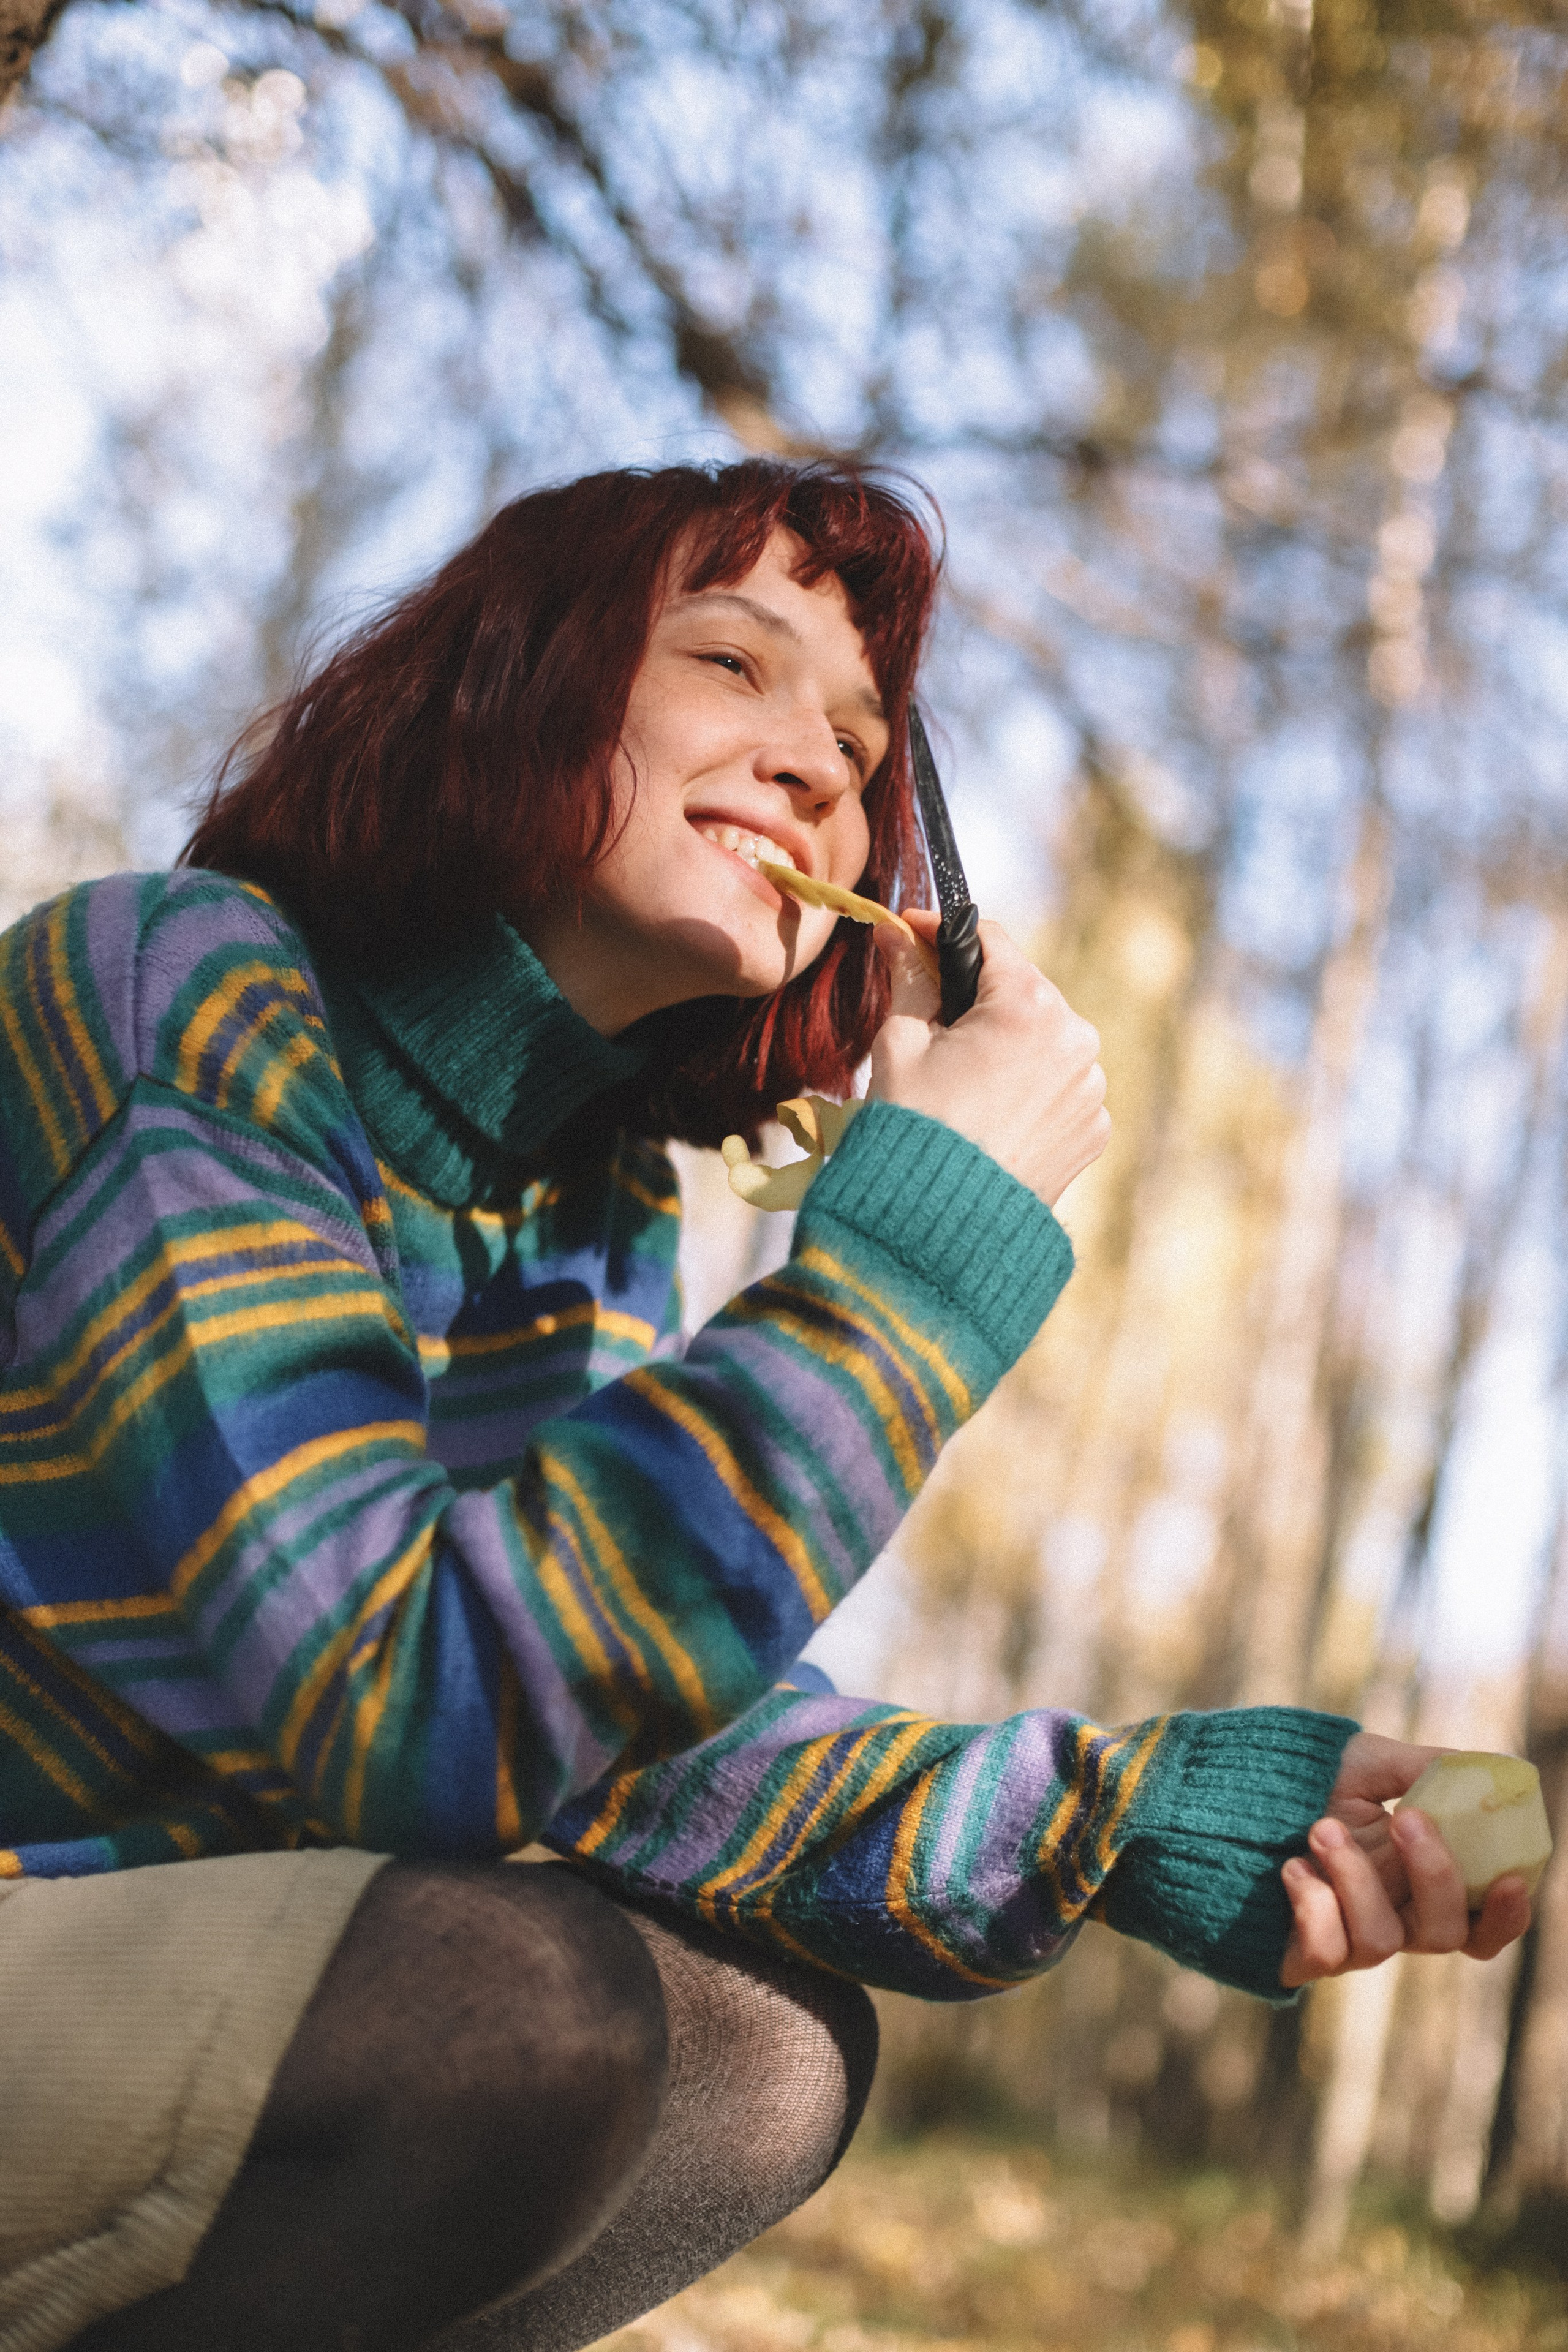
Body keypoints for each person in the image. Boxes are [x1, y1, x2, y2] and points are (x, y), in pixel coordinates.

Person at [0, 459, 1530, 2352]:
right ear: (511, 675)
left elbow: (638, 1742)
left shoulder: (597, 1216)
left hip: (150, 2012)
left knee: (769, 2056)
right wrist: (908, 1274)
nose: (819, 765)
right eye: (733, 661)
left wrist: (1128, 1821)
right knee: (519, 2007)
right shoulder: (172, 986)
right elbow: (401, 1702)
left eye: (861, 745)